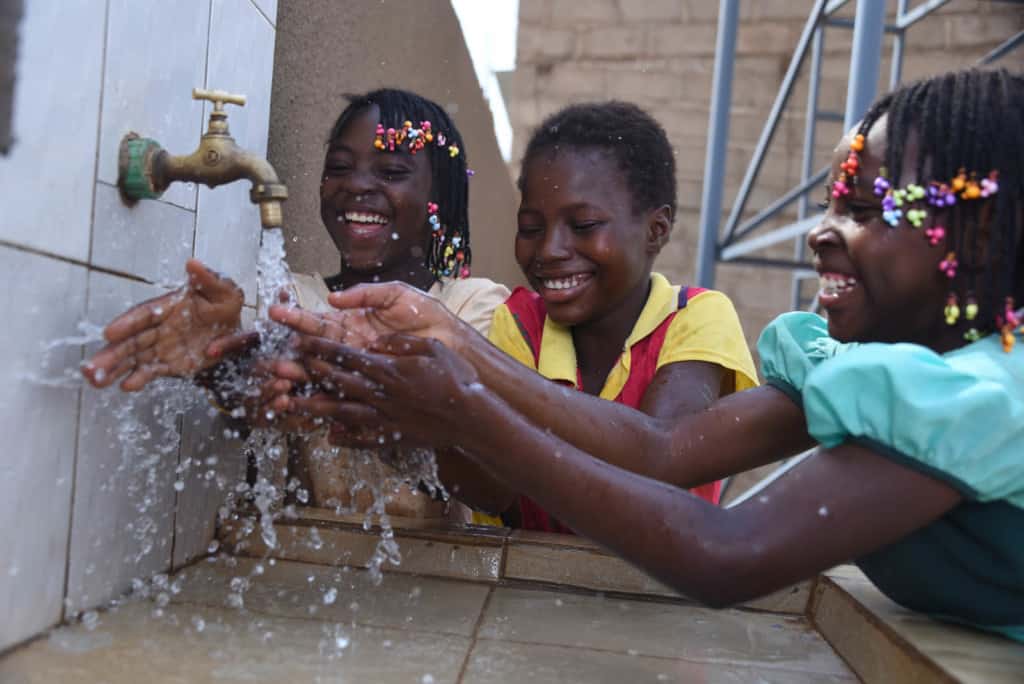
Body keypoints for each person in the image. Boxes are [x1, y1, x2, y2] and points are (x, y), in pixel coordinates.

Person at [271, 69, 1024, 640]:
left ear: (981, 239)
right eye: (829, 206)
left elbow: (727, 553)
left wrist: (463, 400)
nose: (821, 233)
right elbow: (666, 451)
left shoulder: (986, 397)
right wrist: (448, 350)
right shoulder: (858, 368)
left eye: (860, 212)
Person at [278, 101, 758, 533]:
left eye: (584, 226)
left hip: (658, 600)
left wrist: (467, 353)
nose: (549, 250)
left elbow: (662, 457)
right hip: (518, 588)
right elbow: (495, 493)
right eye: (530, 228)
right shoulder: (518, 323)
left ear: (656, 230)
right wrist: (398, 424)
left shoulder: (694, 315)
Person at [81, 88, 510, 520]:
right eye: (340, 167)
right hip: (309, 563)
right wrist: (220, 361)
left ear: (443, 198)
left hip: (441, 569)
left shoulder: (472, 308)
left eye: (393, 171)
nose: (358, 184)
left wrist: (347, 390)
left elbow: (492, 485)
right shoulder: (290, 295)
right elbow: (255, 390)